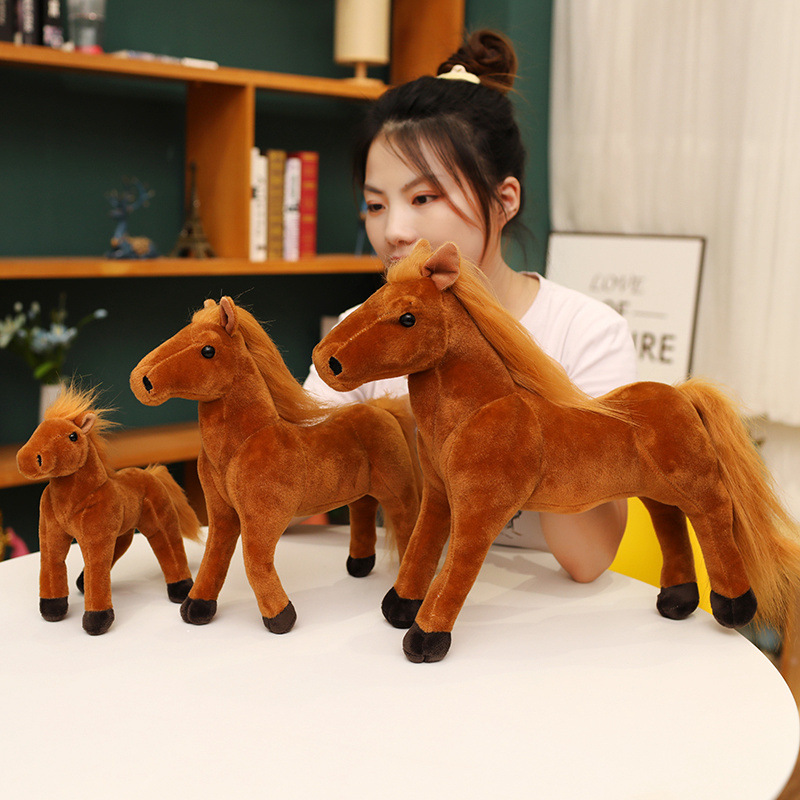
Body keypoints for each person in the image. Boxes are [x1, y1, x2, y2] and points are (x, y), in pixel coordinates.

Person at [303, 30, 637, 583]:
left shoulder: (586, 332)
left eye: (423, 198)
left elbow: (590, 559)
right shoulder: (360, 334)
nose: (393, 231)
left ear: (504, 200)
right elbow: (296, 488)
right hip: (404, 596)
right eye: (375, 205)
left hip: (537, 611)